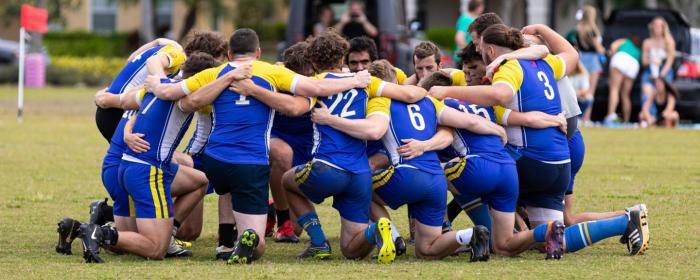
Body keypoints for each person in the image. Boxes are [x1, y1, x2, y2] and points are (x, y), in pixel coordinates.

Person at [144, 28, 374, 264]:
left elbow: (177, 96)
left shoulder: (213, 73)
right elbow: (312, 92)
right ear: (258, 52)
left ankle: (225, 242)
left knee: (226, 187)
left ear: (229, 54)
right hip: (251, 163)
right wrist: (354, 80)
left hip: (214, 159)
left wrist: (155, 82)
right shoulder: (270, 72)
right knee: (258, 241)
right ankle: (251, 237)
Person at [430, 23, 650, 258]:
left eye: (480, 48)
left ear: (491, 51)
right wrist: (543, 29)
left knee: (473, 172)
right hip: (558, 163)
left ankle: (450, 228)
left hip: (530, 160)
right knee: (552, 238)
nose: (479, 52)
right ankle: (625, 221)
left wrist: (446, 92)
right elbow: (571, 56)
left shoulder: (509, 67)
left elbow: (501, 94)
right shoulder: (545, 63)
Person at [276, 30, 428, 262]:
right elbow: (409, 93)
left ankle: (318, 243)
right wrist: (431, 88)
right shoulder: (367, 83)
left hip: (328, 167)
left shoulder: (314, 84)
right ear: (342, 59)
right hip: (360, 174)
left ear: (314, 62)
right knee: (351, 249)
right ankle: (376, 229)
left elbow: (293, 107)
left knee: (287, 180)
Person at [73, 52, 230, 263]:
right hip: (148, 172)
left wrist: (127, 131)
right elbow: (198, 98)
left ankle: (79, 228)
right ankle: (98, 233)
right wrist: (228, 78)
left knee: (199, 181)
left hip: (128, 167)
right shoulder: (183, 97)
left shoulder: (155, 87)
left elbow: (127, 106)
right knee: (156, 249)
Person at [267, 41, 315, 244]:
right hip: (276, 137)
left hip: (306, 145)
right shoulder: (275, 77)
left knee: (299, 228)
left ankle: (271, 209)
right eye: (296, 77)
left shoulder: (322, 80)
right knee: (282, 153)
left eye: (307, 75)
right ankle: (283, 220)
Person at [639, 17, 678, 127]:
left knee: (663, 90)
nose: (657, 28)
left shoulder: (668, 41)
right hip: (650, 71)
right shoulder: (647, 42)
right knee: (647, 90)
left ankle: (664, 115)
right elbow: (644, 61)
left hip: (664, 71)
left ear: (663, 27)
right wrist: (652, 61)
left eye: (659, 26)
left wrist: (661, 76)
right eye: (655, 25)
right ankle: (650, 116)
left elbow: (670, 60)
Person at [575, 5, 606, 124]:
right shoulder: (592, 31)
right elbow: (599, 48)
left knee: (581, 89)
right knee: (590, 91)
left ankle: (578, 117)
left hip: (582, 60)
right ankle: (586, 118)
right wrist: (606, 51)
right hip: (593, 61)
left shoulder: (578, 30)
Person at [605, 35, 642, 124]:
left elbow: (613, 46)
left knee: (614, 90)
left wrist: (612, 57)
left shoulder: (626, 41)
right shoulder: (638, 51)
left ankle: (610, 116)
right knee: (625, 95)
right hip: (634, 64)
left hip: (621, 59)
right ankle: (626, 121)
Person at [453, 0, 484, 64]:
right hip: (465, 59)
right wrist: (469, 54)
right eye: (482, 6)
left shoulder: (471, 19)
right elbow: (459, 38)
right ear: (478, 7)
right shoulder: (466, 19)